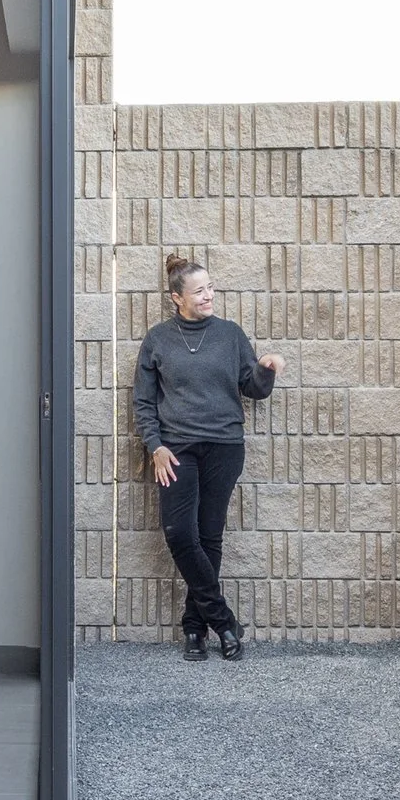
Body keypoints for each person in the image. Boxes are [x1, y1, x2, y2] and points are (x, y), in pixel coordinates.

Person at [132, 255, 285, 661]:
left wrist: (267, 369)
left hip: (224, 447)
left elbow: (253, 388)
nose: (208, 296)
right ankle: (223, 622)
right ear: (177, 298)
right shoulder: (158, 339)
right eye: (199, 291)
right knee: (180, 534)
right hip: (176, 449)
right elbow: (143, 402)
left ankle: (194, 629)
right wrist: (155, 446)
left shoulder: (230, 334)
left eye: (211, 288)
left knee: (209, 534)